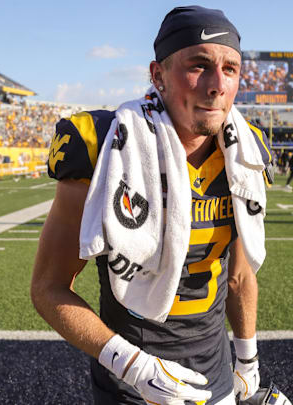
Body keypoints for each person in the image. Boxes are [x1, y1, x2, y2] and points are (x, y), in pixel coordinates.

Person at [31, 6, 273, 405]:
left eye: (230, 68)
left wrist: (247, 363)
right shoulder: (102, 146)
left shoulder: (245, 154)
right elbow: (48, 288)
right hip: (129, 377)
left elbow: (240, 278)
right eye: (199, 65)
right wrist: (133, 367)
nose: (217, 85)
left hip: (215, 372)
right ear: (158, 75)